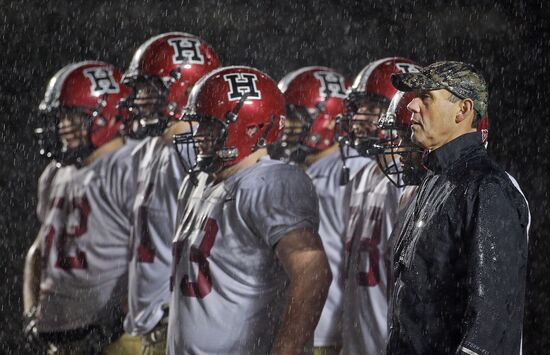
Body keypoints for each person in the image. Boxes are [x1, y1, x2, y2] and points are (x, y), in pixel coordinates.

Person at [167, 66, 332, 355]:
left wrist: (285, 351)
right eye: (199, 124)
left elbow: (312, 272)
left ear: (251, 126)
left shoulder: (271, 181)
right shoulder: (198, 180)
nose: (199, 135)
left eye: (210, 125)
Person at [387, 61, 530, 354]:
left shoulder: (487, 188)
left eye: (426, 97)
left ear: (463, 110)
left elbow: (490, 319)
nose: (412, 105)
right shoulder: (435, 179)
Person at [23, 61, 141, 354]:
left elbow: (153, 254)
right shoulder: (56, 171)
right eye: (60, 117)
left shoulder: (132, 166)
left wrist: (121, 319)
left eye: (73, 117)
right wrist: (31, 312)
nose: (62, 127)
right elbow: (37, 252)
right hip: (61, 338)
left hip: (113, 337)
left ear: (107, 116)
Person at [120, 32, 220, 354]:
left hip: (173, 321)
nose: (138, 99)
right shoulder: (153, 146)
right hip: (147, 322)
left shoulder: (194, 149)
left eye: (150, 89)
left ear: (184, 88)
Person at [278, 66, 370, 354]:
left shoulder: (351, 170)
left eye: (294, 117)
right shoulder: (296, 166)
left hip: (327, 329)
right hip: (293, 321)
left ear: (327, 119)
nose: (285, 125)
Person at [340, 57, 421, 355]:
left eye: (372, 107)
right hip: (359, 339)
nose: (359, 117)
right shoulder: (363, 173)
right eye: (358, 107)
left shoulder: (413, 181)